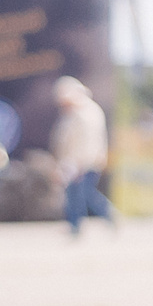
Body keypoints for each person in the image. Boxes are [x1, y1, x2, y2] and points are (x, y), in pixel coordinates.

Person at [51, 75, 115, 236]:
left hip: (85, 162)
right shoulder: (73, 114)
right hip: (74, 162)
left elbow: (88, 143)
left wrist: (78, 163)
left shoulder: (87, 114)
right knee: (75, 193)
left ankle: (107, 214)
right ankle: (75, 225)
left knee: (84, 193)